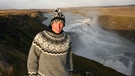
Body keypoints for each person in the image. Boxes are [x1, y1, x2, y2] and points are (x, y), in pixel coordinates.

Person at [27, 8, 73, 76]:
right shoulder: (41, 37)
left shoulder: (67, 39)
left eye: (61, 23)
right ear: (51, 23)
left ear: (63, 25)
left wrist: (70, 72)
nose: (58, 26)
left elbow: (69, 58)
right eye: (56, 22)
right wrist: (32, 74)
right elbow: (32, 58)